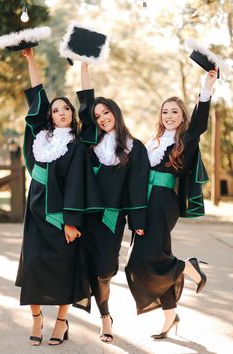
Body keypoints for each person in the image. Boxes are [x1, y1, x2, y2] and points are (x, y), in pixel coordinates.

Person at [15, 48, 100, 346]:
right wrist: (30, 60)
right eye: (56, 110)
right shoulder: (41, 138)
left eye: (66, 109)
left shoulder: (76, 146)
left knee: (65, 267)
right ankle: (37, 319)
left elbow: (76, 184)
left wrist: (71, 221)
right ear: (50, 116)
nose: (61, 112)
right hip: (36, 209)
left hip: (62, 214)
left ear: (72, 114)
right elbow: (36, 97)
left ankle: (61, 322)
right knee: (34, 264)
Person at [125, 69, 218, 339]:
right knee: (139, 261)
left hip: (164, 202)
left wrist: (206, 86)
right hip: (145, 203)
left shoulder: (186, 139)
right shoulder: (153, 141)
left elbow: (200, 123)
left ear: (182, 116)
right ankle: (170, 317)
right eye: (165, 112)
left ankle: (188, 267)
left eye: (174, 112)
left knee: (148, 259)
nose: (169, 116)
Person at [75, 62, 150, 342]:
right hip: (84, 216)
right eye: (98, 115)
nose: (102, 117)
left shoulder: (134, 147)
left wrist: (137, 222)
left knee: (105, 268)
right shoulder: (89, 143)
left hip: (111, 218)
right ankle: (103, 318)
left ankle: (105, 314)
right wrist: (84, 67)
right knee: (86, 267)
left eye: (106, 112)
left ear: (116, 113)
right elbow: (84, 103)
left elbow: (137, 186)